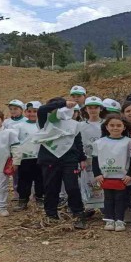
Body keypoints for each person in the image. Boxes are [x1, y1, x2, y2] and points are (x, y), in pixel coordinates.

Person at [34, 97, 93, 229]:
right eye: (56, 109)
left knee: (72, 187)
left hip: (69, 160)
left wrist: (82, 158)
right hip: (49, 159)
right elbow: (43, 109)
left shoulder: (73, 124)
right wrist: (63, 103)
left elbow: (78, 142)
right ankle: (51, 215)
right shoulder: (45, 120)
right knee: (51, 188)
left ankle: (78, 213)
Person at [92, 113, 131, 232]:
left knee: (121, 198)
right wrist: (97, 174)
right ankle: (109, 219)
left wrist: (130, 174)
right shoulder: (99, 142)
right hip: (106, 176)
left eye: (118, 125)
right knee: (108, 198)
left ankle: (120, 220)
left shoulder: (130, 142)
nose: (115, 128)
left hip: (123, 177)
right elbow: (95, 160)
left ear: (124, 127)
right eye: (112, 125)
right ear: (106, 127)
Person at [12, 101, 45, 211]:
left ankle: (40, 198)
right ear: (25, 112)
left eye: (35, 111)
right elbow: (15, 141)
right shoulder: (19, 126)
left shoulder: (44, 125)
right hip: (25, 158)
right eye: (29, 111)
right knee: (24, 180)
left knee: (40, 179)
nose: (32, 114)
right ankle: (23, 200)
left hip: (40, 157)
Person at [78, 96, 105, 209]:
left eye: (96, 107)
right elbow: (78, 142)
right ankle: (89, 206)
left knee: (102, 181)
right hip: (87, 159)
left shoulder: (106, 124)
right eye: (90, 108)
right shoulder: (80, 125)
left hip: (103, 158)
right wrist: (81, 158)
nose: (93, 110)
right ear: (85, 109)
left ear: (101, 109)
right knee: (88, 181)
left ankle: (104, 206)